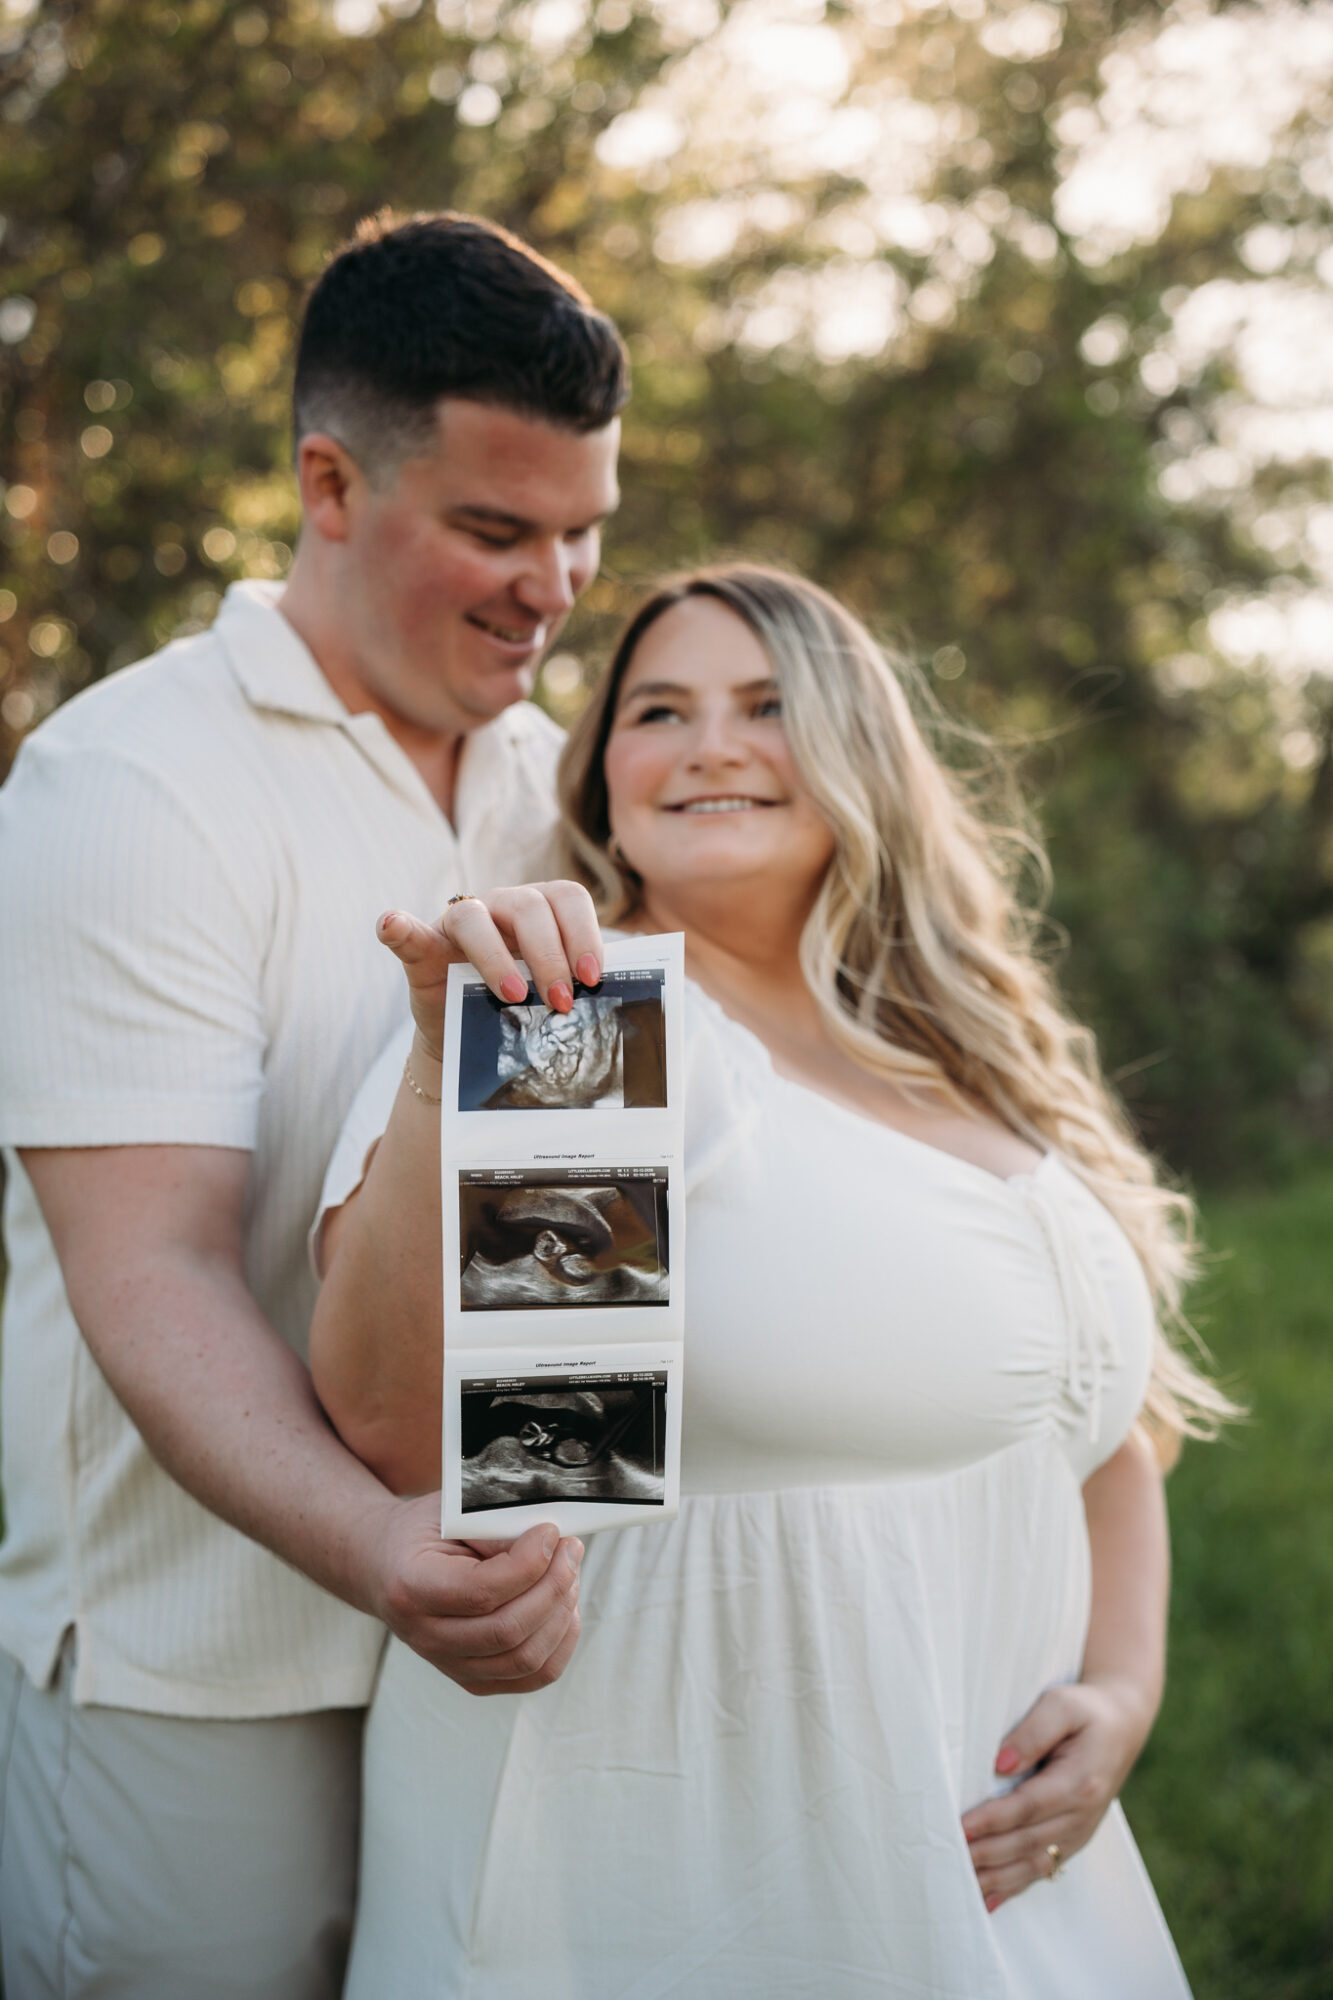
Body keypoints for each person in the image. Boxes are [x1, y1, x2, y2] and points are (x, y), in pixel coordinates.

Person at [309, 565, 1236, 1997]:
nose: (708, 746)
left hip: (1004, 1864)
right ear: (603, 775)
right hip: (687, 1850)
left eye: (766, 704)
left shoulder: (965, 1053)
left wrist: (1120, 1691)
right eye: (658, 711)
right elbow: (399, 1436)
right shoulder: (585, 1019)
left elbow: (1105, 1427)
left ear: (862, 750)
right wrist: (458, 1064)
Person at [0, 211, 624, 1998]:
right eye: (496, 531)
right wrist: (379, 1548)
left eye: (583, 531)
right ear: (330, 484)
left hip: (507, 1657)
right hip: (198, 1672)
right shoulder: (130, 781)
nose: (553, 587)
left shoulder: (563, 781)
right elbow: (157, 1267)